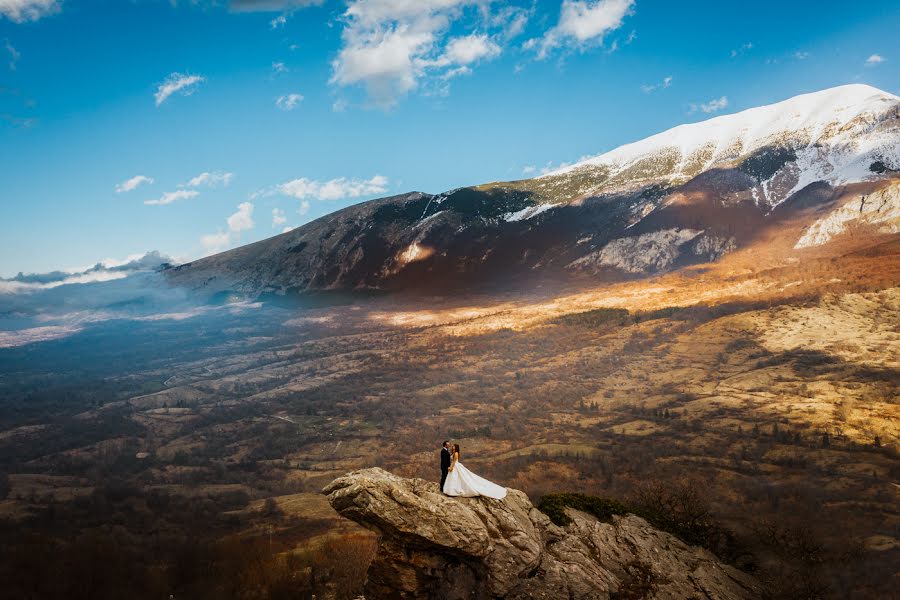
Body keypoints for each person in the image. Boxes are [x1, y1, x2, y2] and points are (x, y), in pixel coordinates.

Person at [443, 443, 507, 499]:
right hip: (454, 465)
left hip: (455, 466)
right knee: (455, 478)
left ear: (456, 447)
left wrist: (451, 467)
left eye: (454, 446)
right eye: (453, 446)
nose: (453, 447)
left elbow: (454, 461)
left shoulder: (456, 453)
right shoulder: (453, 453)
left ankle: (454, 490)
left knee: (458, 477)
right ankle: (452, 490)